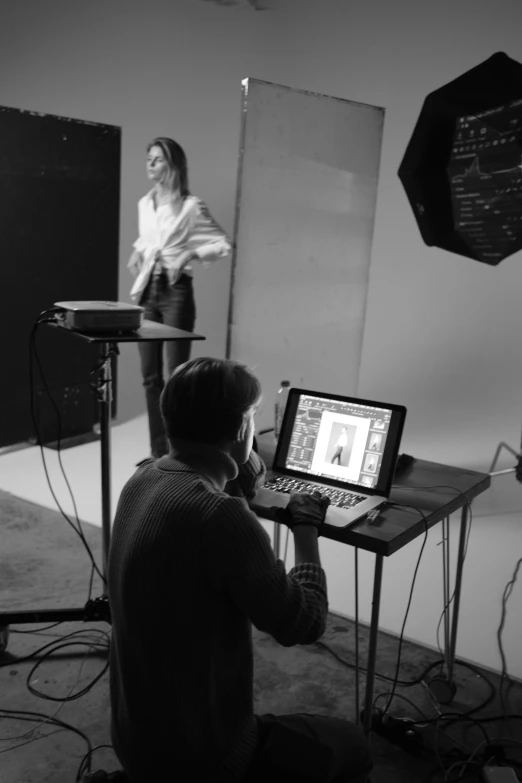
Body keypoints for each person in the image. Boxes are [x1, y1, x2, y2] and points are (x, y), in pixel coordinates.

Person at [108, 358, 373, 783]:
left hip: (135, 741)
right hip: (205, 758)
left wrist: (237, 460)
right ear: (240, 429)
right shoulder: (220, 516)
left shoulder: (141, 479)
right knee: (354, 744)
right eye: (251, 417)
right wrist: (306, 529)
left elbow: (221, 480)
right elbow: (304, 623)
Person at [128, 137, 232, 462]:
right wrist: (137, 250)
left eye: (157, 159)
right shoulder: (144, 204)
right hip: (148, 291)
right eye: (148, 158)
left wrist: (191, 251)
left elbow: (223, 243)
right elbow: (150, 240)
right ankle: (157, 452)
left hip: (176, 292)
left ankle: (178, 452)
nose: (150, 164)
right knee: (149, 376)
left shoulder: (190, 206)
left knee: (176, 376)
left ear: (172, 164)